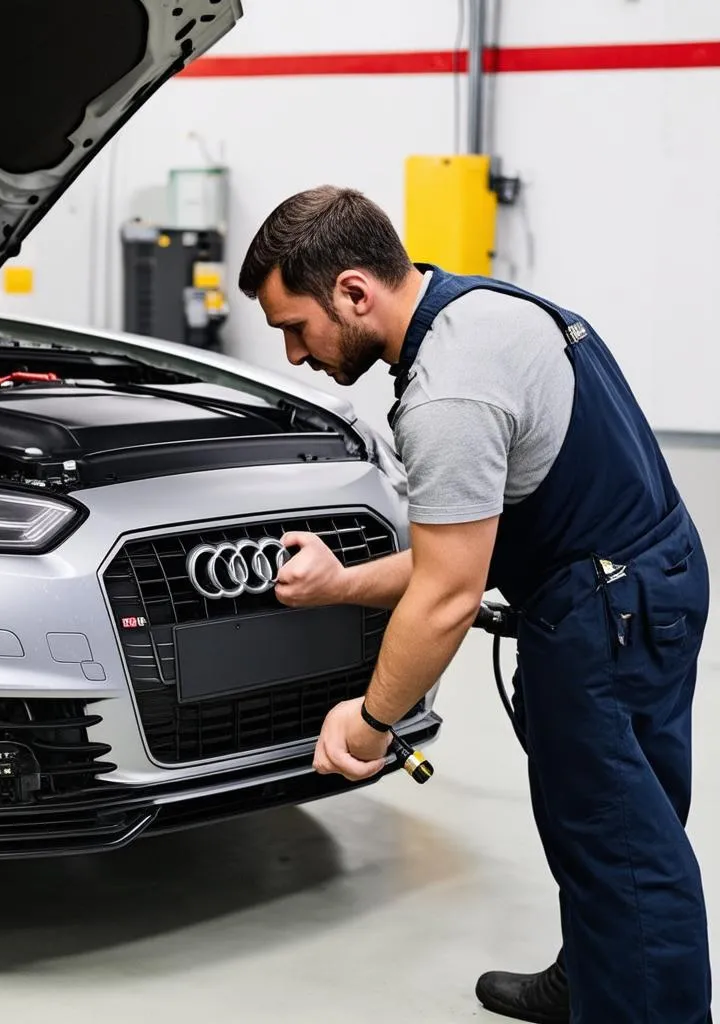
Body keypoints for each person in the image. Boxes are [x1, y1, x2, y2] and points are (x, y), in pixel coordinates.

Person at [238, 185, 712, 1024]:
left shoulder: (446, 395)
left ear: (354, 291)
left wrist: (372, 720)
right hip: (657, 578)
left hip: (603, 615)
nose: (294, 355)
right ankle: (596, 976)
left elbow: (449, 594)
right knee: (624, 823)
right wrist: (342, 583)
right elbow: (460, 547)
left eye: (294, 326)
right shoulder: (482, 305)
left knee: (623, 845)